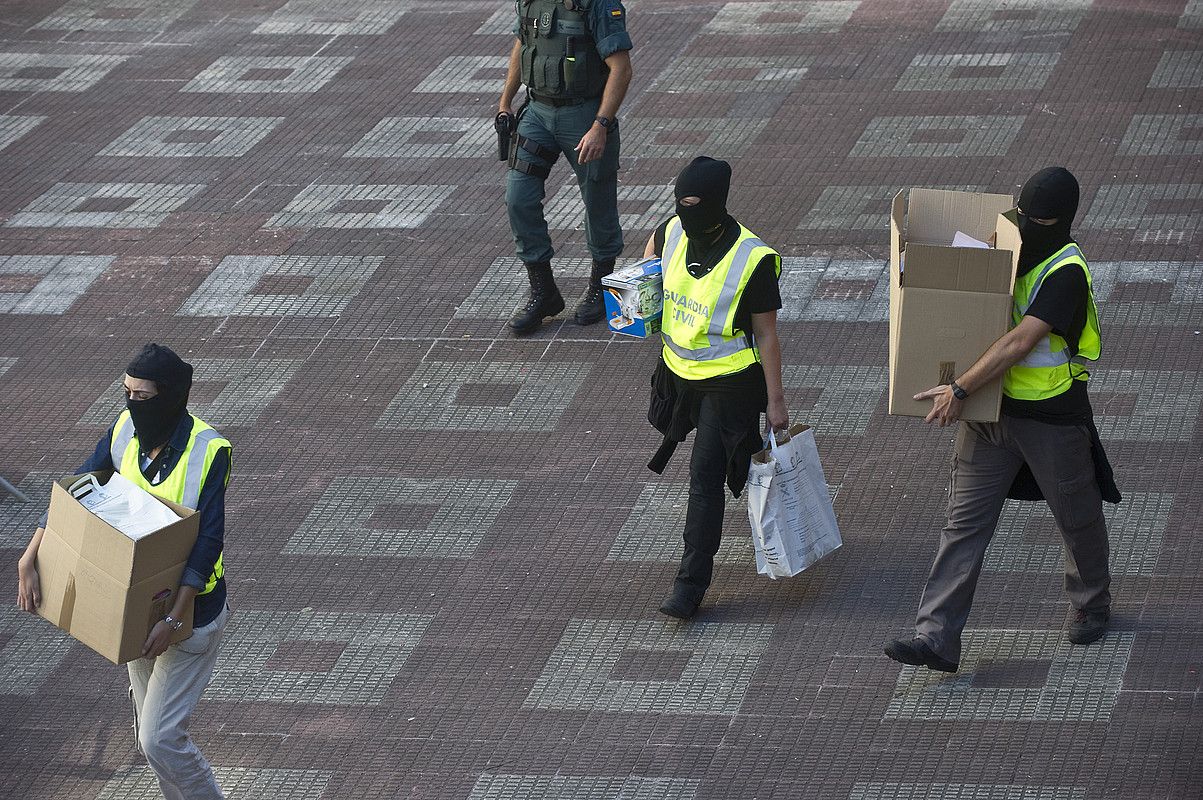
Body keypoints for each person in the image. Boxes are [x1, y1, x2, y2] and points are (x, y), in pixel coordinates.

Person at [884, 167, 1120, 673]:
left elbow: (1019, 341)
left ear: (1064, 221)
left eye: (1041, 220)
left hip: (1050, 419)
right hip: (989, 415)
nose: (1029, 226)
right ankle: (936, 638)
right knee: (963, 525)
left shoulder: (1066, 273)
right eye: (1024, 216)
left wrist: (960, 387)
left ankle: (1091, 603)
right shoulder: (1004, 241)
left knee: (1076, 517)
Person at [17, 343, 232, 799]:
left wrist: (173, 619)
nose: (132, 405)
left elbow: (208, 542)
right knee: (150, 738)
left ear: (171, 396)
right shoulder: (123, 431)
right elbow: (78, 488)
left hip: (191, 615)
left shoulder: (210, 451)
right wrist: (31, 553)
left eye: (143, 396)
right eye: (127, 393)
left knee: (159, 739)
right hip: (139, 606)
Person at [645, 156, 789, 619]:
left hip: (731, 384)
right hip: (679, 373)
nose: (685, 211)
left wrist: (776, 402)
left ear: (717, 203)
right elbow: (647, 274)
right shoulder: (669, 232)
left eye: (694, 204)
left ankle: (689, 585)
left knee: (703, 479)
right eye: (679, 202)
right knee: (702, 474)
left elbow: (766, 334)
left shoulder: (753, 259)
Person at [498, 0, 633, 335]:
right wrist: (505, 102)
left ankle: (601, 288)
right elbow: (523, 44)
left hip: (584, 116)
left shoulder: (598, 4)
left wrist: (601, 125)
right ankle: (544, 292)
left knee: (598, 204)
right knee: (519, 198)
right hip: (537, 114)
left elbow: (621, 68)